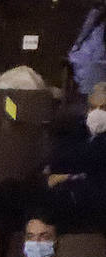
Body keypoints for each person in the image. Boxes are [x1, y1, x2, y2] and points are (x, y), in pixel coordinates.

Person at [41, 82, 106, 232]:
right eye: (92, 107)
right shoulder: (75, 131)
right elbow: (57, 162)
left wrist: (67, 177)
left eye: (103, 108)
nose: (96, 113)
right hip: (68, 201)